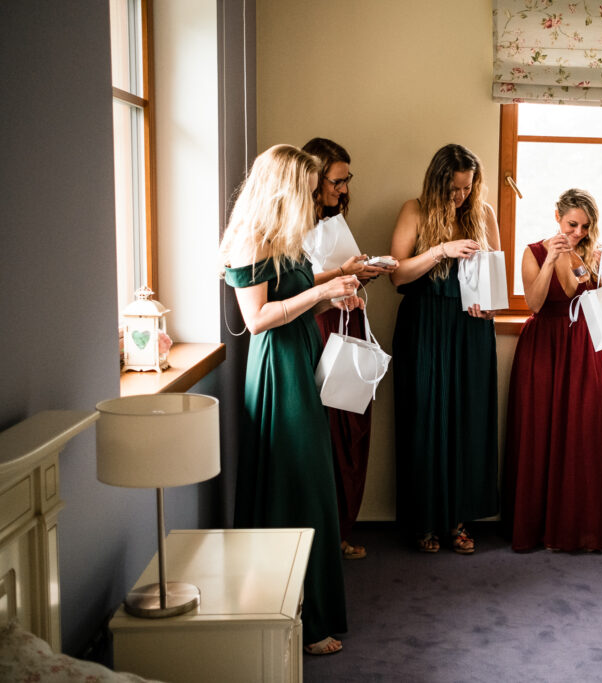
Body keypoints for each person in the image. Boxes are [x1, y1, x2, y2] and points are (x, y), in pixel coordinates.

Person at [220, 144, 363, 656]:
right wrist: (321, 293)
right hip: (278, 369)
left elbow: (293, 294)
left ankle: (306, 606)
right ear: (283, 188)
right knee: (296, 483)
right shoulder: (251, 239)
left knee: (311, 482)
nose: (315, 197)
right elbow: (259, 319)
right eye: (308, 188)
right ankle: (293, 614)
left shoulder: (285, 236)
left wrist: (335, 285)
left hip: (300, 355)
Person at [502, 189, 602, 552]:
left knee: (582, 431)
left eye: (584, 227)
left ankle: (577, 525)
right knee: (539, 430)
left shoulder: (588, 254)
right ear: (557, 216)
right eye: (572, 224)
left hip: (584, 347)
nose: (577, 233)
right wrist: (550, 261)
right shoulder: (533, 251)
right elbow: (534, 303)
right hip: (544, 345)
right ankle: (537, 526)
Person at [389, 143, 501, 554]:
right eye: (454, 188)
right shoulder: (415, 210)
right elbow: (397, 275)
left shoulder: (483, 213)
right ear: (438, 183)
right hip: (425, 325)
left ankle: (458, 518)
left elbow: (493, 273)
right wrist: (440, 250)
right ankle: (424, 520)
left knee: (467, 419)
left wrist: (491, 305)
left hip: (470, 328)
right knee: (424, 418)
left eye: (468, 187)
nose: (461, 196)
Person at [301, 137, 398, 561]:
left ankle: (342, 525)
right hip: (322, 326)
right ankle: (326, 532)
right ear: (314, 178)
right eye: (336, 182)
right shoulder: (293, 225)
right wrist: (343, 273)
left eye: (346, 180)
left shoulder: (333, 217)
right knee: (331, 431)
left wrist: (361, 273)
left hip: (349, 318)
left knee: (353, 429)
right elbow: (299, 286)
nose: (343, 190)